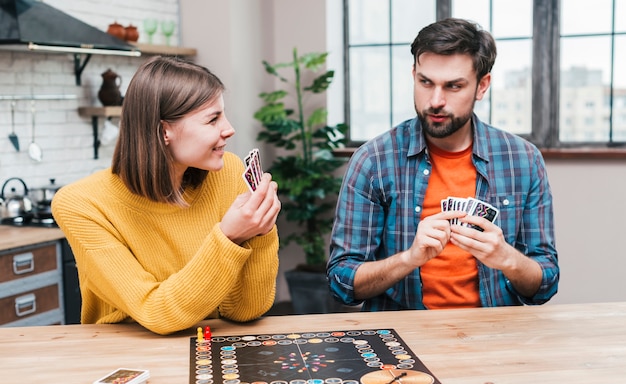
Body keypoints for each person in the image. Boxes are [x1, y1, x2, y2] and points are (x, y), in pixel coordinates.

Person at [327, 18, 559, 311]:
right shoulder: (373, 161)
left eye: (453, 86)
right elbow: (341, 282)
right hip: (404, 337)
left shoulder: (523, 160)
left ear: (482, 85)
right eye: (426, 82)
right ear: (413, 75)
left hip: (494, 336)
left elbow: (546, 283)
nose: (435, 101)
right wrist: (409, 258)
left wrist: (508, 258)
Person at [52, 56, 281, 334]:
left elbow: (246, 310)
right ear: (164, 131)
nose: (229, 129)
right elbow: (155, 312)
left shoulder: (229, 172)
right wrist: (229, 237)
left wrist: (260, 232)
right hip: (126, 359)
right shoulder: (82, 205)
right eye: (212, 119)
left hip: (207, 347)